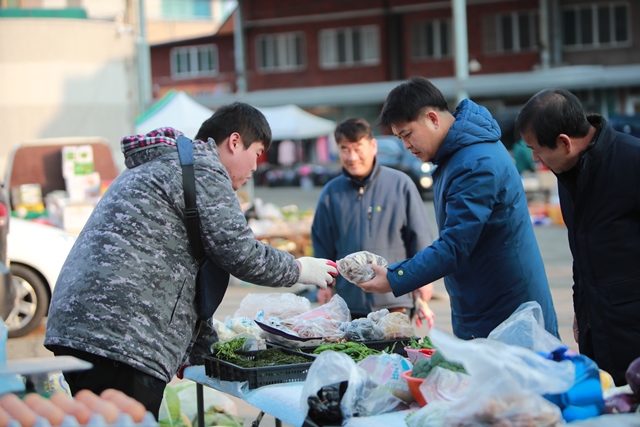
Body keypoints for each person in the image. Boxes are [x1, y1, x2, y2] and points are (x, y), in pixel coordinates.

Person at [44, 102, 338, 418]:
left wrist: (201, 350)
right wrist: (298, 269)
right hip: (122, 338)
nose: (256, 166)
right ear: (235, 142)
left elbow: (188, 273)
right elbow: (239, 252)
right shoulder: (205, 171)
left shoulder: (163, 167)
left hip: (80, 326)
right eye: (257, 153)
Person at [355, 76, 559, 340]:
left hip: (508, 307)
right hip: (482, 300)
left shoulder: (474, 163)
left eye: (407, 134)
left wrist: (396, 278)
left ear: (432, 118)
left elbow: (455, 244)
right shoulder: (456, 155)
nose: (405, 145)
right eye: (399, 138)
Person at [514, 88, 640, 386]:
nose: (535, 158)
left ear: (564, 143)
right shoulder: (568, 172)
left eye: (537, 150)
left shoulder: (632, 161)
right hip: (596, 326)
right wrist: (581, 310)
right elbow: (581, 251)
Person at [311, 117, 435, 327]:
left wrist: (425, 279)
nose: (352, 157)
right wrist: (324, 284)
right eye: (345, 149)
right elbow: (322, 242)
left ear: (373, 146)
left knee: (396, 355)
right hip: (349, 301)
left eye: (358, 148)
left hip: (396, 296)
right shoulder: (331, 192)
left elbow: (420, 235)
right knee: (354, 356)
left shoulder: (400, 184)